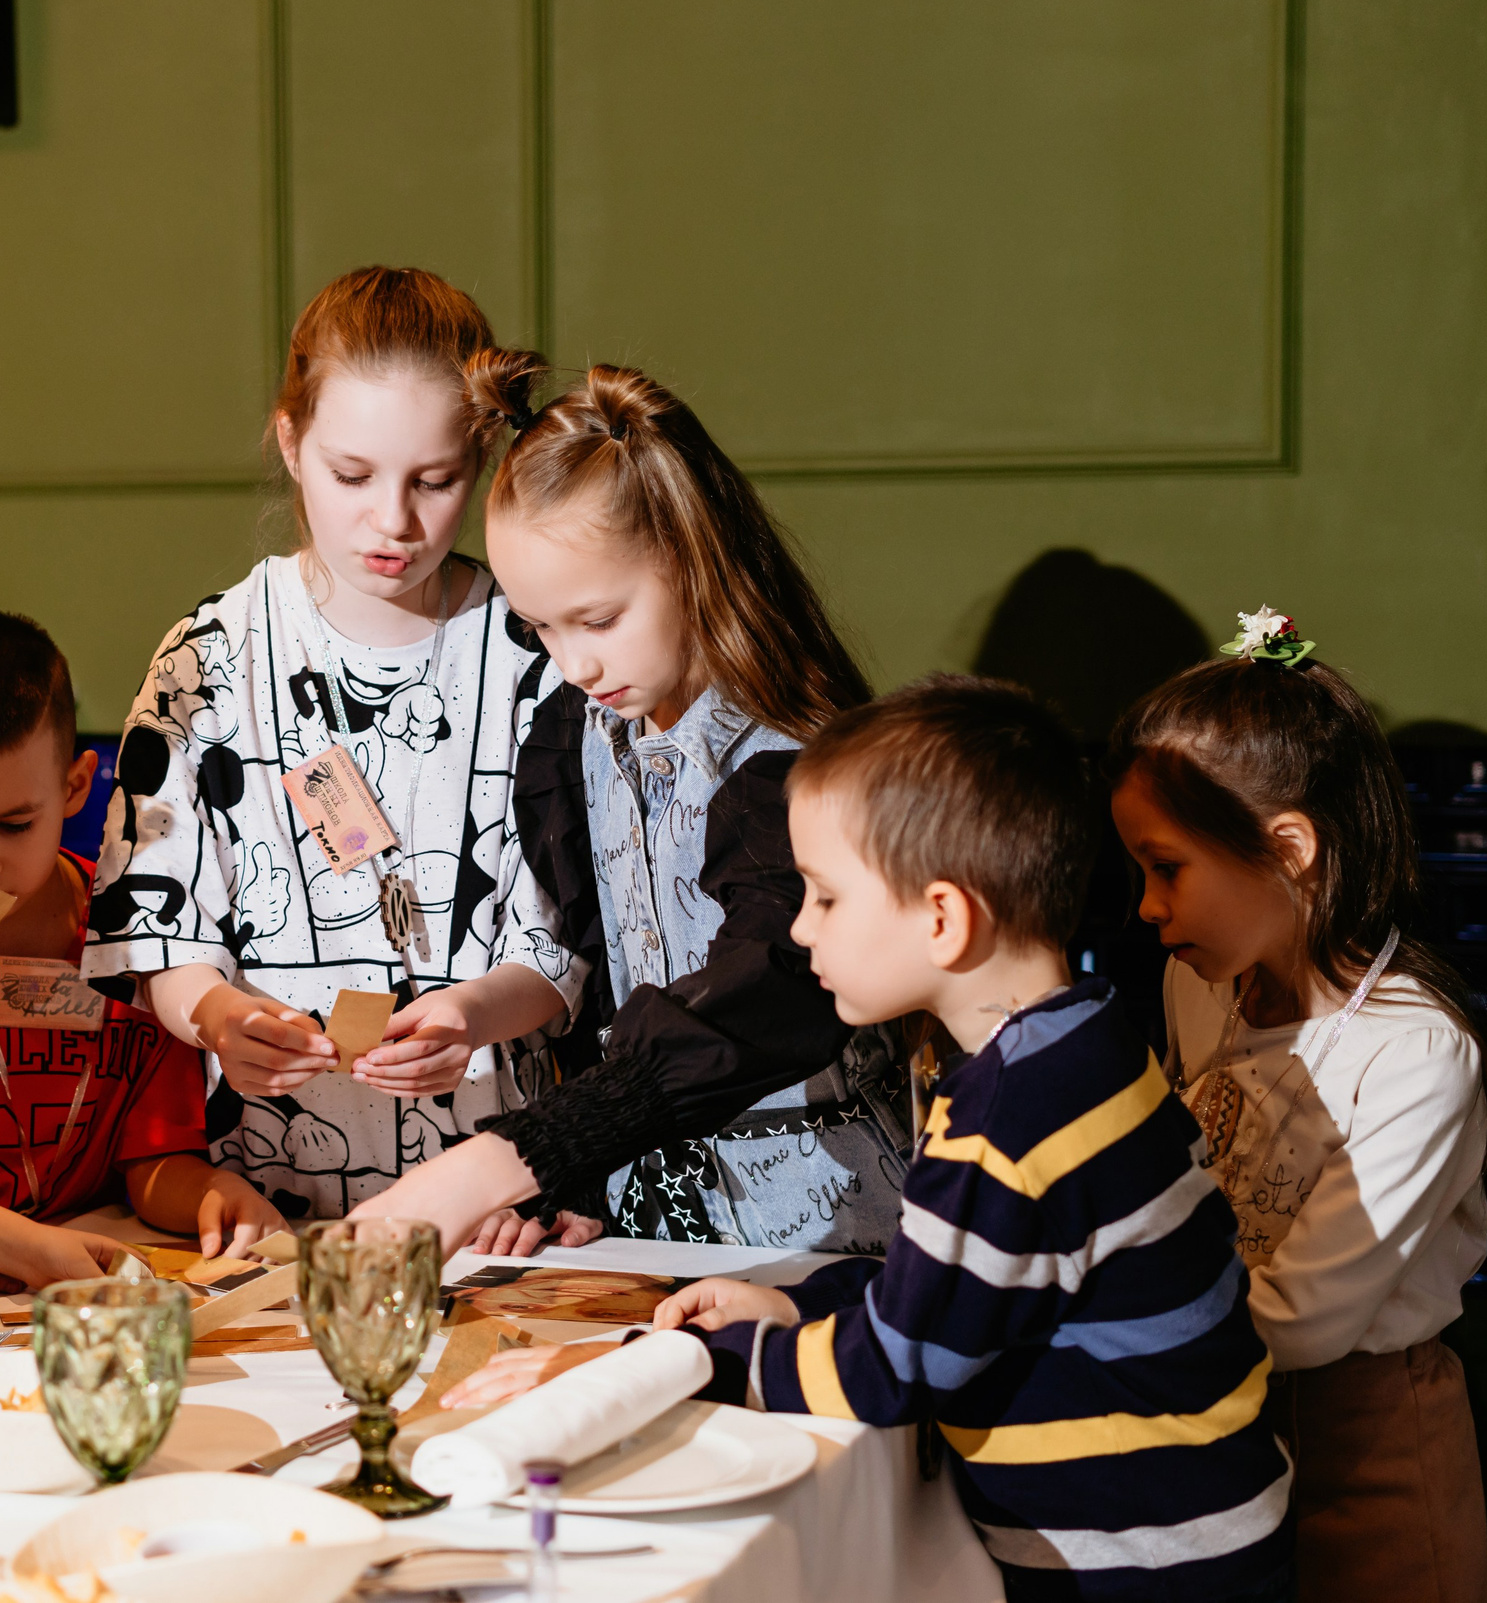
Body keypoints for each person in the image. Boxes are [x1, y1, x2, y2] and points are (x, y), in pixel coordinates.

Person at [458, 677, 1296, 1602]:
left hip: (1143, 1568)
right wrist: (799, 1304)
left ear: (943, 918)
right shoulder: (1082, 1046)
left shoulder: (1007, 1120)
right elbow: (955, 1291)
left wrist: (699, 1365)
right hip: (1206, 1536)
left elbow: (893, 1369)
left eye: (821, 896)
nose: (801, 927)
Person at [351, 358, 908, 1255]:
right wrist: (573, 1178)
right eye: (541, 628)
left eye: (599, 620)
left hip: (822, 1227)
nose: (574, 664)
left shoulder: (792, 765)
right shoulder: (576, 735)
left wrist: (516, 1157)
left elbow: (765, 992)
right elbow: (596, 974)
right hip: (649, 1229)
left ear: (693, 559)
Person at [82, 267, 585, 1227]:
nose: (393, 522)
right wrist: (222, 1019)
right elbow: (160, 931)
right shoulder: (209, 660)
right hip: (268, 1209)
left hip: (496, 1202)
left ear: (480, 459)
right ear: (291, 441)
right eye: (352, 475)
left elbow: (569, 935)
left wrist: (471, 1016)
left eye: (435, 482)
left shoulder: (539, 652)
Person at [1107, 611, 1487, 1602]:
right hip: (1219, 1419)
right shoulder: (1199, 984)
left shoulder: (1412, 1055)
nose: (1146, 907)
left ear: (1287, 849)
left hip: (1364, 1447)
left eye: (1168, 868)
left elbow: (1307, 1322)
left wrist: (1098, 1317)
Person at [0, 612, 286, 1262]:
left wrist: (212, 1193)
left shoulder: (140, 936)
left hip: (96, 1279)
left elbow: (157, 1165)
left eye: (15, 824)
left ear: (76, 786)